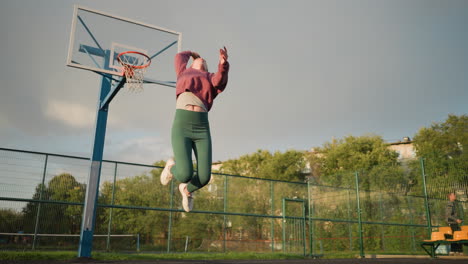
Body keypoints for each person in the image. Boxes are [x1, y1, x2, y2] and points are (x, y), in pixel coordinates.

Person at [160, 47, 229, 212]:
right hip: (182, 125)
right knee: (184, 174)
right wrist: (192, 53)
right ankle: (171, 167)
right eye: (200, 59)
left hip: (201, 128)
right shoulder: (183, 71)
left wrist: (223, 64)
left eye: (205, 61)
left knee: (204, 177)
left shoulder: (210, 78)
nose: (202, 60)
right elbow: (179, 57)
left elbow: (221, 79)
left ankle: (186, 190)